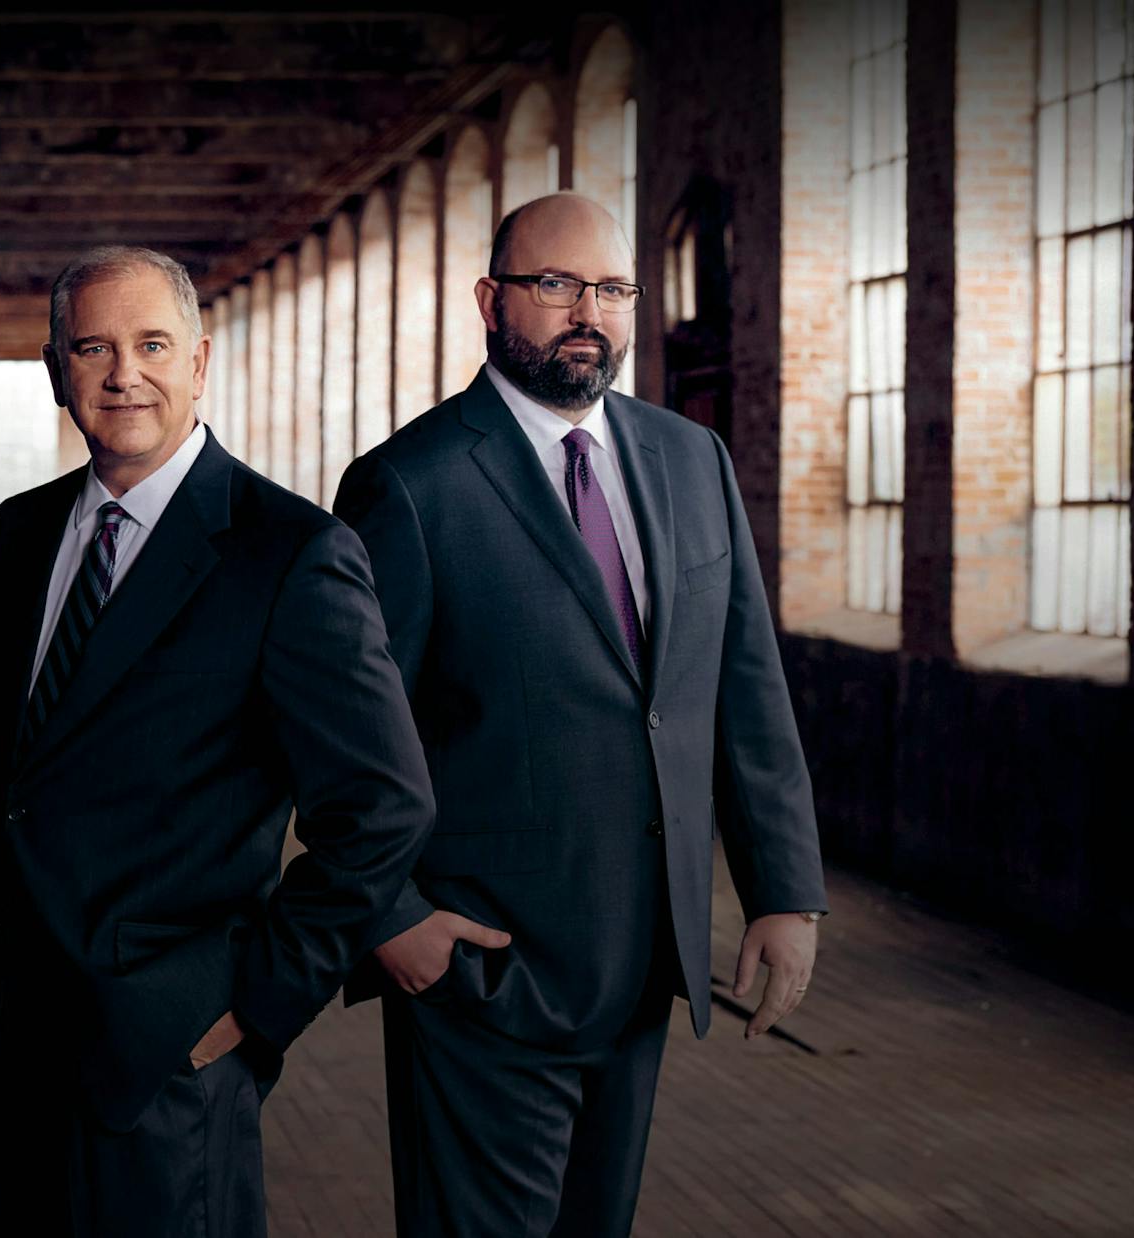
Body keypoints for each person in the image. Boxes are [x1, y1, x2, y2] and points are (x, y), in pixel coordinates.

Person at [0, 245, 433, 1237]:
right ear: (57, 367)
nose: (121, 372)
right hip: (6, 1035)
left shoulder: (288, 552)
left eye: (150, 344)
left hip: (164, 1050)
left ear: (197, 362)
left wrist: (258, 1002)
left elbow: (382, 810)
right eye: (92, 346)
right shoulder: (18, 533)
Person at [332, 192, 828, 1237]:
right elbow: (340, 731)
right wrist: (392, 918)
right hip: (481, 972)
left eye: (608, 287)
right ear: (490, 299)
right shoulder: (409, 486)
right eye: (553, 285)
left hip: (642, 963)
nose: (584, 312)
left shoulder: (691, 461)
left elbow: (742, 682)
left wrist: (784, 889)